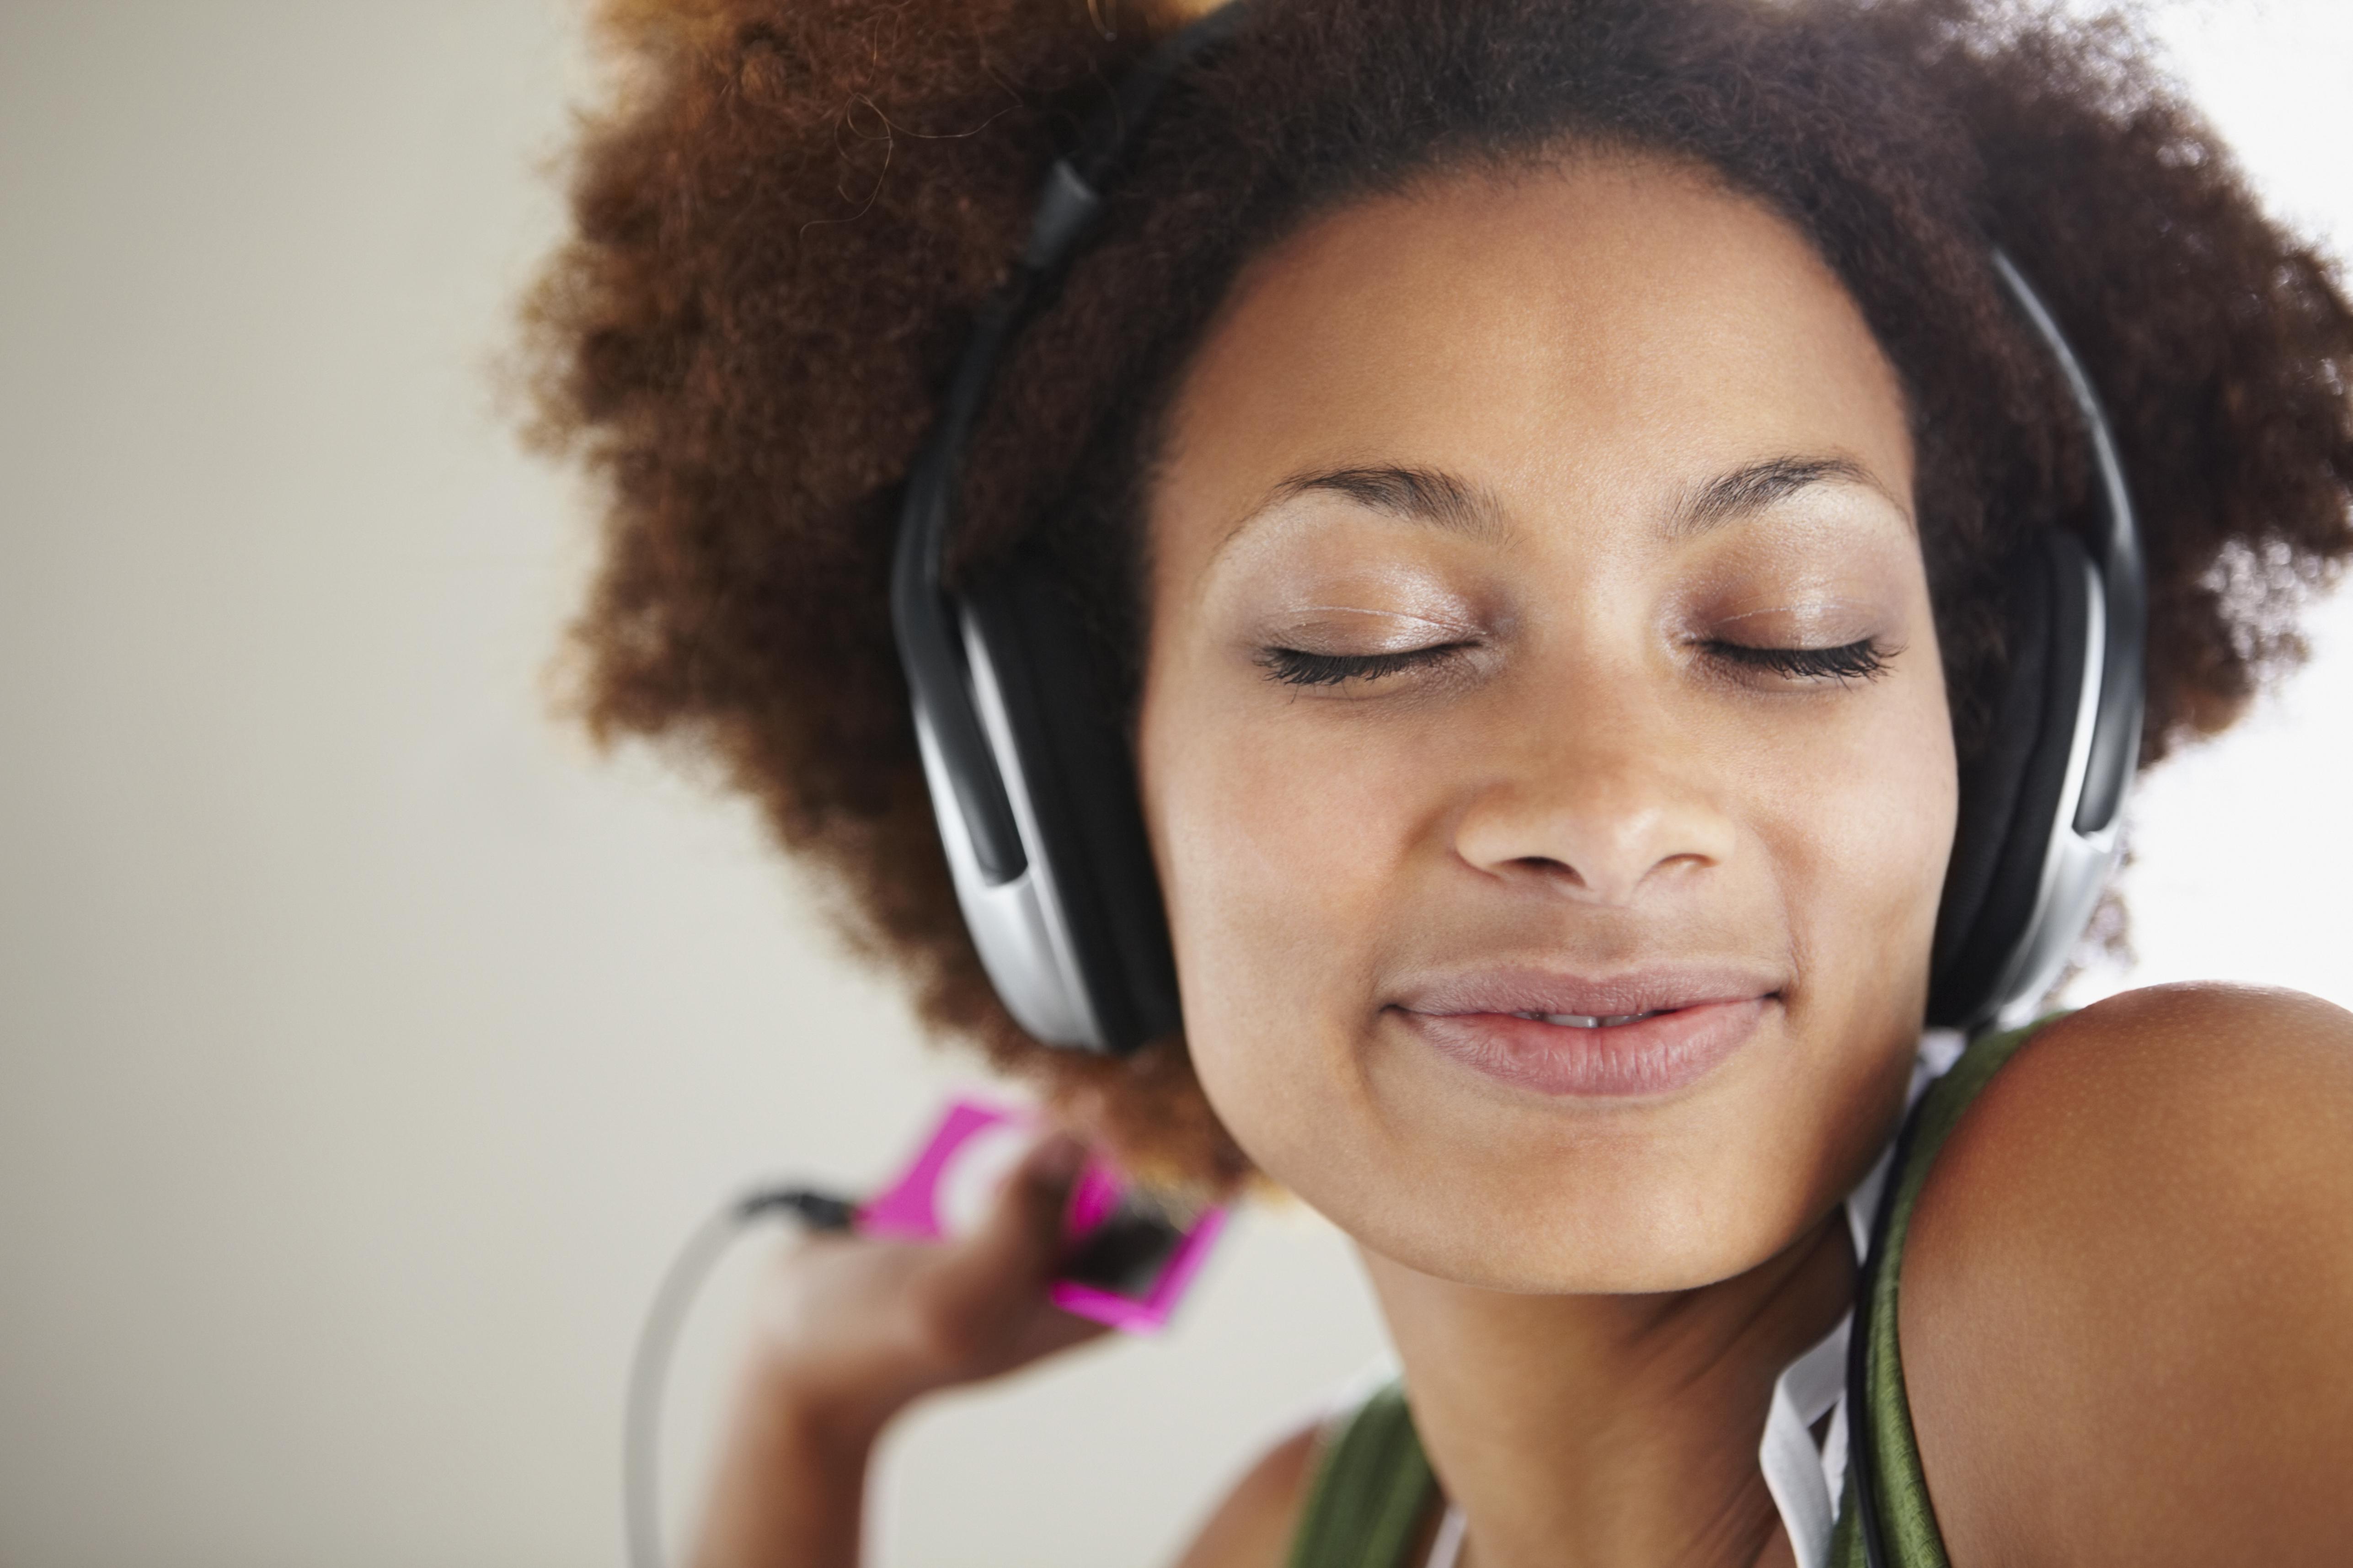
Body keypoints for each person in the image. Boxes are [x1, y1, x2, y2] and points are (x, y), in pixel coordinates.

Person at [519, 0, 2353, 1562]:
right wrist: (809, 1395)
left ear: (2022, 754)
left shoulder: (2186, 1217)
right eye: (1367, 640)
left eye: (1795, 636)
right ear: (1068, 791)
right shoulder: (1308, 1532)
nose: (1611, 804)